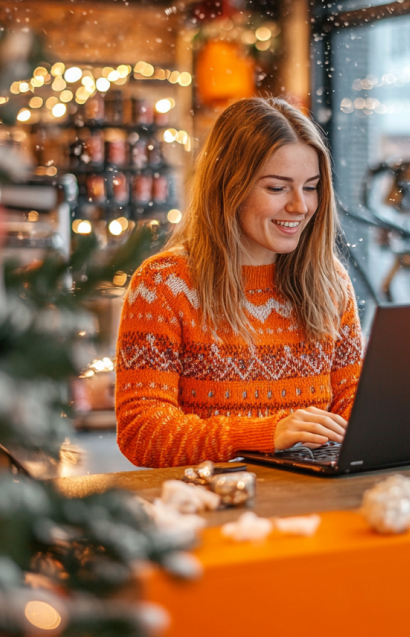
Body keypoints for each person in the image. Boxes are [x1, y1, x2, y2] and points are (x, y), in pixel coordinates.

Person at [115, 97, 364, 468]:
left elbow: (352, 407)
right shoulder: (163, 285)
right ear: (230, 187)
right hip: (213, 506)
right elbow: (142, 432)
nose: (301, 207)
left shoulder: (330, 280)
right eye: (277, 188)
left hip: (318, 501)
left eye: (310, 187)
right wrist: (264, 435)